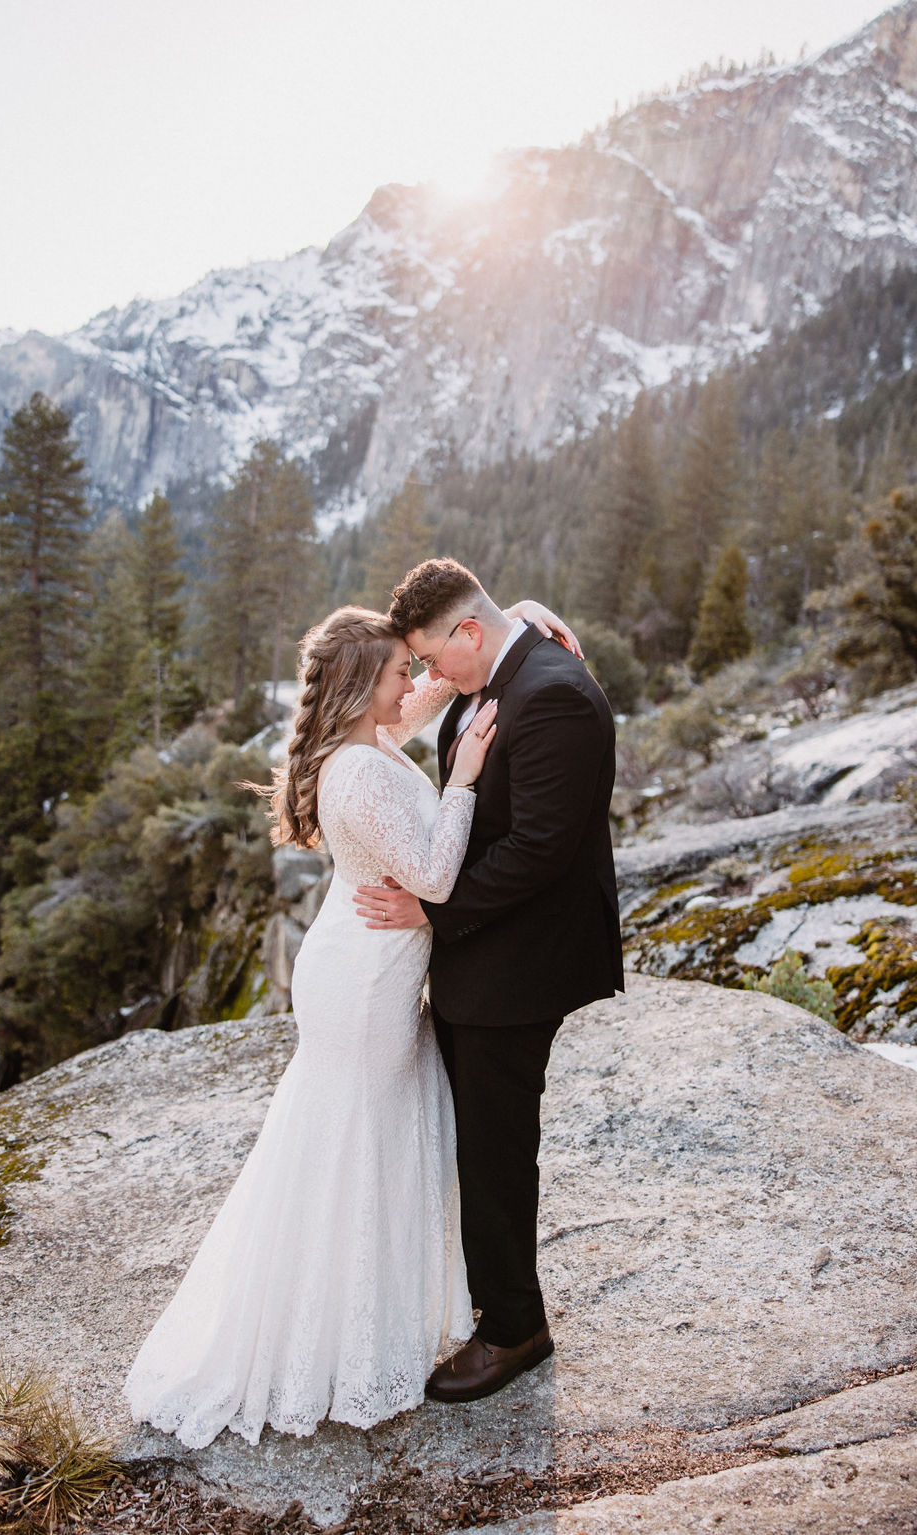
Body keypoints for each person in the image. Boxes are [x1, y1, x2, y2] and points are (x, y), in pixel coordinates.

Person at [123, 598, 561, 1446]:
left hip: (361, 967)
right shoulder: (359, 771)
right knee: (356, 1149)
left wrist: (517, 617)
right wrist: (465, 777)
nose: (415, 683)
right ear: (364, 685)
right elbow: (435, 877)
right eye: (400, 671)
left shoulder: (364, 739)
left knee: (356, 1143)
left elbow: (436, 684)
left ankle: (359, 1321)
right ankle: (333, 1342)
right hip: (363, 986)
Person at [354, 559, 623, 1404]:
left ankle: (514, 1329)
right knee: (477, 1134)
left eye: (435, 658)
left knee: (496, 1145)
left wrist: (433, 912)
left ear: (469, 630)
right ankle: (497, 1305)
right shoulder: (494, 664)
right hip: (482, 943)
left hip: (522, 960)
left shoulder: (552, 697)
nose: (431, 677)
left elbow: (540, 851)